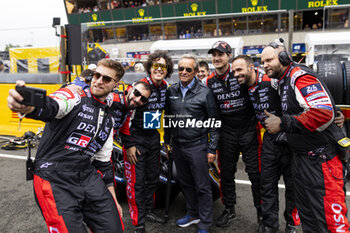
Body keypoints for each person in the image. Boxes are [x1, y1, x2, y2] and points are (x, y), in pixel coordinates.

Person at [7, 59, 152, 233]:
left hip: (87, 174)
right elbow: (53, 106)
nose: (98, 81)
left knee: (115, 227)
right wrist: (29, 107)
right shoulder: (75, 95)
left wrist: (113, 198)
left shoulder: (109, 118)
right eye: (96, 75)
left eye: (106, 79)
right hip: (54, 176)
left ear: (116, 85)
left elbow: (103, 163)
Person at [261, 43, 350, 233]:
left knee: (332, 224)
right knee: (309, 218)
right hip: (303, 159)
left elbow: (322, 113)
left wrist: (283, 123)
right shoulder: (282, 81)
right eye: (262, 62)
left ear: (284, 57)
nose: (265, 65)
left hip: (322, 161)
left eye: (269, 60)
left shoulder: (299, 76)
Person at [231, 55, 300, 233]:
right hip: (270, 141)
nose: (236, 74)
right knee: (267, 185)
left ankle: (291, 224)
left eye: (239, 70)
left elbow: (303, 96)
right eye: (233, 71)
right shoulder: (243, 87)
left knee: (292, 186)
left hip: (291, 140)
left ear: (251, 67)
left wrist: (336, 112)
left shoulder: (272, 81)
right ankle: (270, 225)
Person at [205, 41, 261, 227]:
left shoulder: (240, 72)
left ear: (229, 55)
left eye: (220, 54)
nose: (216, 58)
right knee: (226, 174)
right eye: (214, 54)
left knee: (255, 173)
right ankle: (229, 209)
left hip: (248, 129)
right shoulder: (209, 81)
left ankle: (261, 213)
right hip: (226, 132)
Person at [164, 54, 220, 233]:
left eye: (188, 69)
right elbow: (168, 117)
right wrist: (167, 140)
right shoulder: (171, 91)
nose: (184, 72)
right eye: (181, 68)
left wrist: (212, 148)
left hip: (198, 145)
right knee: (185, 182)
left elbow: (214, 122)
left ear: (196, 71)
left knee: (202, 186)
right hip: (178, 146)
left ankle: (205, 222)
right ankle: (193, 213)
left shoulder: (205, 92)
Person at [119, 50, 174, 233]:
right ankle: (138, 222)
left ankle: (148, 210)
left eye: (163, 66)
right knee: (136, 182)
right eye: (156, 65)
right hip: (136, 139)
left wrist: (167, 139)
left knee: (152, 179)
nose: (159, 69)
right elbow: (125, 116)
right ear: (150, 67)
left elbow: (168, 115)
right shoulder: (138, 86)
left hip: (153, 139)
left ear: (167, 70)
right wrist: (129, 144)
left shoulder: (166, 87)